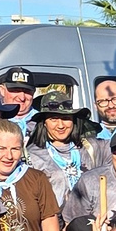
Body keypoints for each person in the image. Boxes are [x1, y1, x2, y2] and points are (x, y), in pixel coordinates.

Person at [26, 94, 98, 223]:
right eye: (54, 119)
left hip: (88, 221)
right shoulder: (31, 155)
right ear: (44, 123)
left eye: (66, 118)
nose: (60, 125)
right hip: (53, 224)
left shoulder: (90, 147)